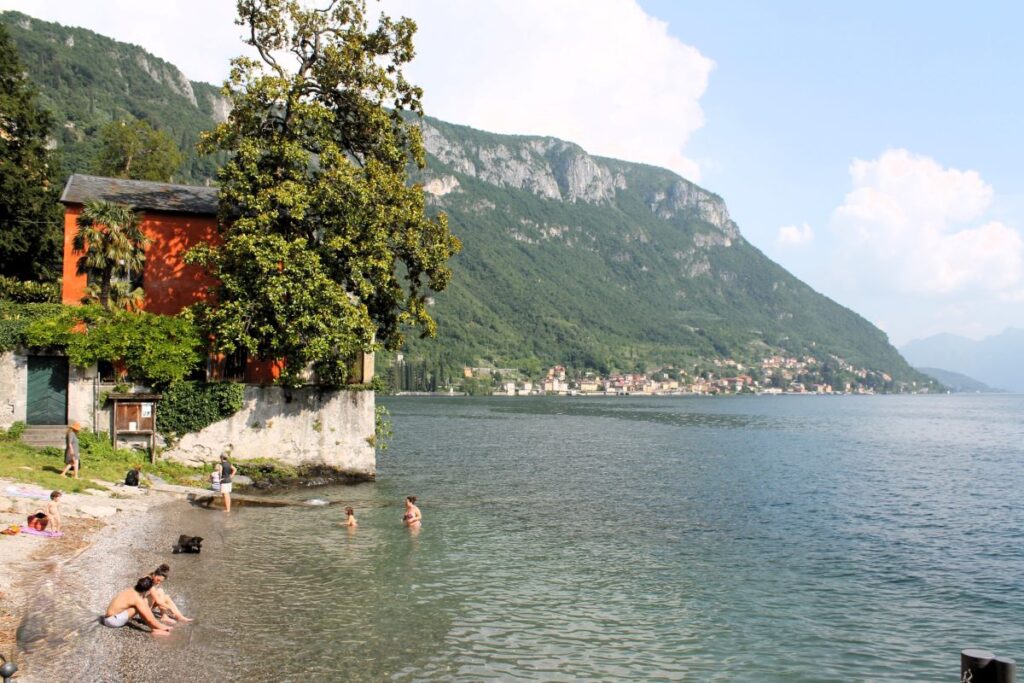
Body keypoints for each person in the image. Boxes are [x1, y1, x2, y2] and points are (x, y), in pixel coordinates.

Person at [101, 576, 171, 636]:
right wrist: (163, 627)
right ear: (146, 590)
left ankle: (156, 627)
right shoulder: (136, 598)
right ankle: (155, 629)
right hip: (112, 621)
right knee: (139, 607)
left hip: (107, 619)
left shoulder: (129, 590)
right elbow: (149, 619)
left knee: (141, 605)